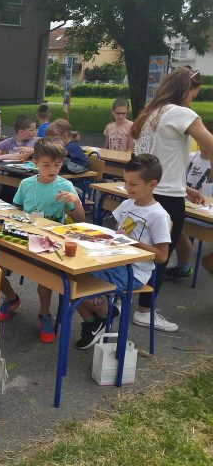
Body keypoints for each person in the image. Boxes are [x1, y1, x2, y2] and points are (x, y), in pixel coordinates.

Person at [131, 67, 213, 312]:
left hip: (144, 192)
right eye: (193, 95)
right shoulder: (181, 113)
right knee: (160, 256)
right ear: (186, 90)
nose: (192, 100)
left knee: (140, 251)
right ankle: (145, 311)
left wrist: (184, 188)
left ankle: (124, 301)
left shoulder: (150, 113)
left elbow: (157, 162)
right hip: (167, 200)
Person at [74, 154, 174, 348]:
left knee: (78, 282)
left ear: (152, 184)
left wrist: (133, 243)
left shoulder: (158, 215)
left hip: (134, 272)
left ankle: (105, 312)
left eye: (133, 184)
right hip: (114, 260)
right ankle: (95, 321)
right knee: (70, 276)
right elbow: (116, 234)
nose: (127, 188)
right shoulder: (128, 204)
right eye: (126, 182)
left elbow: (162, 256)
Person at [0, 137, 85, 343]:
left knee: (45, 276)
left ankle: (44, 314)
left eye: (57, 164)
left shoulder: (65, 186)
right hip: (25, 236)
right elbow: (15, 210)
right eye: (46, 165)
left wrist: (76, 202)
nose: (52, 169)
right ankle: (11, 297)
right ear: (35, 162)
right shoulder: (26, 184)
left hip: (50, 242)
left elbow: (80, 220)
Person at [165, 142, 212, 279]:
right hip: (186, 204)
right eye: (202, 144)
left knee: (176, 225)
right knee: (173, 223)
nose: (204, 148)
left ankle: (182, 266)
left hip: (205, 212)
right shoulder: (191, 157)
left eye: (208, 145)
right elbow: (176, 178)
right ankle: (181, 265)